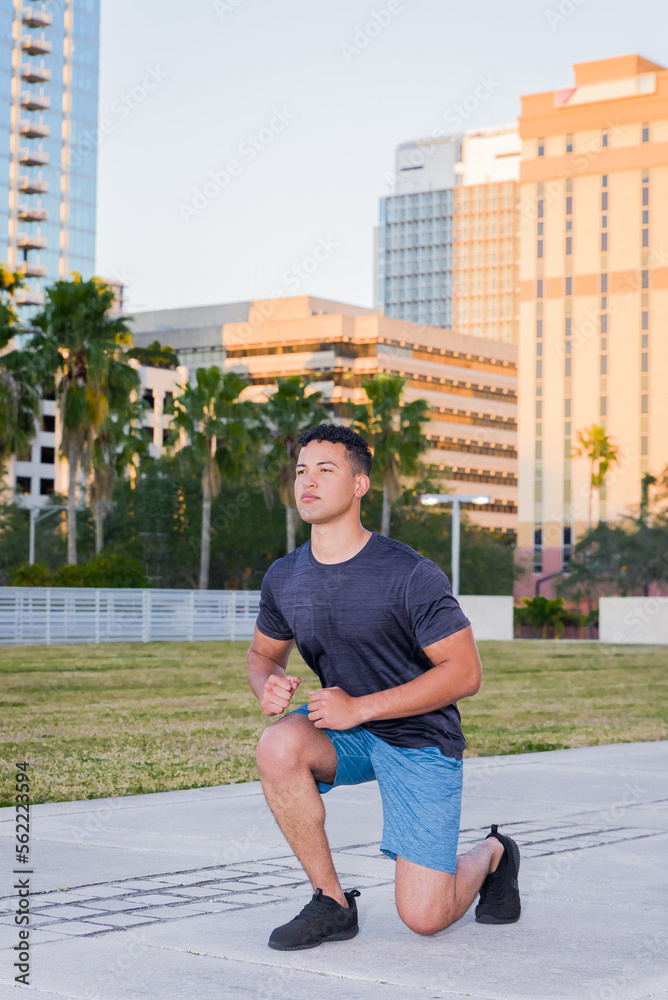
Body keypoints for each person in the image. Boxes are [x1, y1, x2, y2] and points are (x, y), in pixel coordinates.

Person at [247, 423, 520, 951]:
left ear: (359, 486)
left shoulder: (409, 573)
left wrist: (362, 707)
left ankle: (493, 855)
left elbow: (466, 674)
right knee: (277, 744)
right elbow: (263, 654)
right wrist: (268, 684)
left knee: (424, 916)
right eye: (302, 470)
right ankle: (332, 902)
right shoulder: (285, 576)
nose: (308, 481)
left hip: (419, 738)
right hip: (348, 732)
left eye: (326, 470)